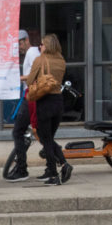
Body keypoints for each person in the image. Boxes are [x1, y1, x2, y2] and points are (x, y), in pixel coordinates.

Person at [23, 33, 71, 186]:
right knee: (49, 138)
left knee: (46, 139)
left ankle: (58, 170)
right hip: (58, 100)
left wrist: (31, 78)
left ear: (47, 46)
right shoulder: (61, 60)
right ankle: (51, 170)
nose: (40, 47)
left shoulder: (40, 59)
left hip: (45, 101)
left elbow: (30, 80)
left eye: (42, 44)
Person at [5, 29, 41, 181]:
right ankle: (57, 162)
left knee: (18, 131)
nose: (18, 47)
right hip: (29, 96)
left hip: (31, 97)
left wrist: (19, 77)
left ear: (26, 40)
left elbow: (36, 75)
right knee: (41, 134)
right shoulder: (31, 54)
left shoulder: (32, 53)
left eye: (19, 43)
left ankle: (22, 169)